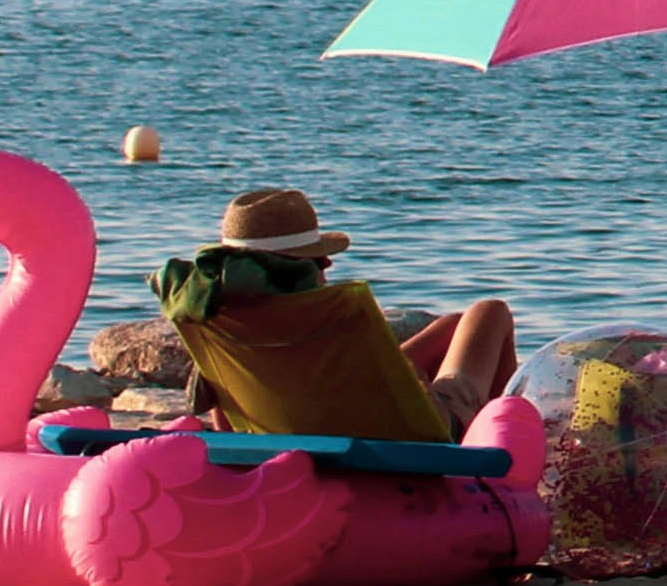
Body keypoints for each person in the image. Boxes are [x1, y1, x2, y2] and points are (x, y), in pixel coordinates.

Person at [149, 187, 516, 441]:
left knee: (452, 325)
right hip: (411, 432)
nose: (327, 268)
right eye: (322, 260)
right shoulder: (328, 314)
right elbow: (396, 392)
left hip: (293, 420)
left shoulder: (214, 313)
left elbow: (221, 406)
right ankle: (503, 456)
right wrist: (418, 382)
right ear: (306, 267)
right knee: (489, 313)